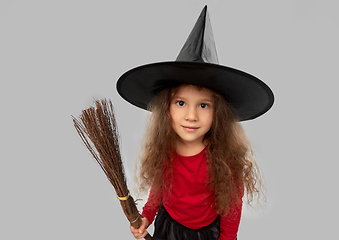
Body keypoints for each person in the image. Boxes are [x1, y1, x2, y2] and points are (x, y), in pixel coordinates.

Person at [116, 6, 274, 240]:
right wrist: (147, 216)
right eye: (181, 103)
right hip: (168, 227)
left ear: (218, 113)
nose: (191, 115)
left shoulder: (225, 159)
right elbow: (160, 189)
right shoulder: (165, 148)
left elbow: (231, 209)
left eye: (203, 105)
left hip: (204, 234)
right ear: (166, 108)